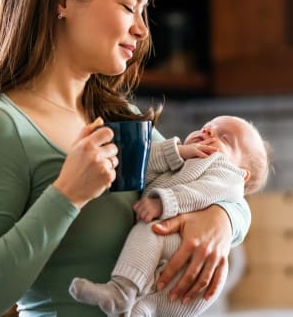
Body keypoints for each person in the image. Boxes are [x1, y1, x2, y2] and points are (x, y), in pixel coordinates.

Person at [0, 0, 251, 317]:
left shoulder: (122, 118)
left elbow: (222, 181)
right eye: (127, 5)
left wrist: (222, 219)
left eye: (144, 12)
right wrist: (67, 194)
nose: (141, 29)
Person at [69, 115, 271, 316]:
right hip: (171, 266)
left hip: (187, 260)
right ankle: (127, 306)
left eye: (225, 138)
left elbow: (200, 193)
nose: (208, 131)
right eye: (206, 126)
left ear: (241, 173)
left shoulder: (225, 172)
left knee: (151, 229)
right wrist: (177, 152)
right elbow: (141, 165)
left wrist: (162, 203)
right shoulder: (183, 162)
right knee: (144, 308)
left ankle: (121, 291)